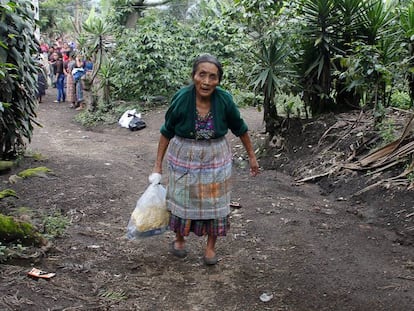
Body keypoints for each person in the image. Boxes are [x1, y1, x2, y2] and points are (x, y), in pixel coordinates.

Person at [153, 54, 259, 265]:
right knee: (182, 198)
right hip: (184, 154)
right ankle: (179, 239)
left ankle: (210, 249)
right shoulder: (182, 98)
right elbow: (166, 132)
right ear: (193, 75)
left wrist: (252, 157)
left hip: (215, 156)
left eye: (213, 77)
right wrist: (157, 165)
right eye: (202, 75)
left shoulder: (224, 100)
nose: (206, 82)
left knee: (216, 201)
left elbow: (240, 129)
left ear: (219, 80)